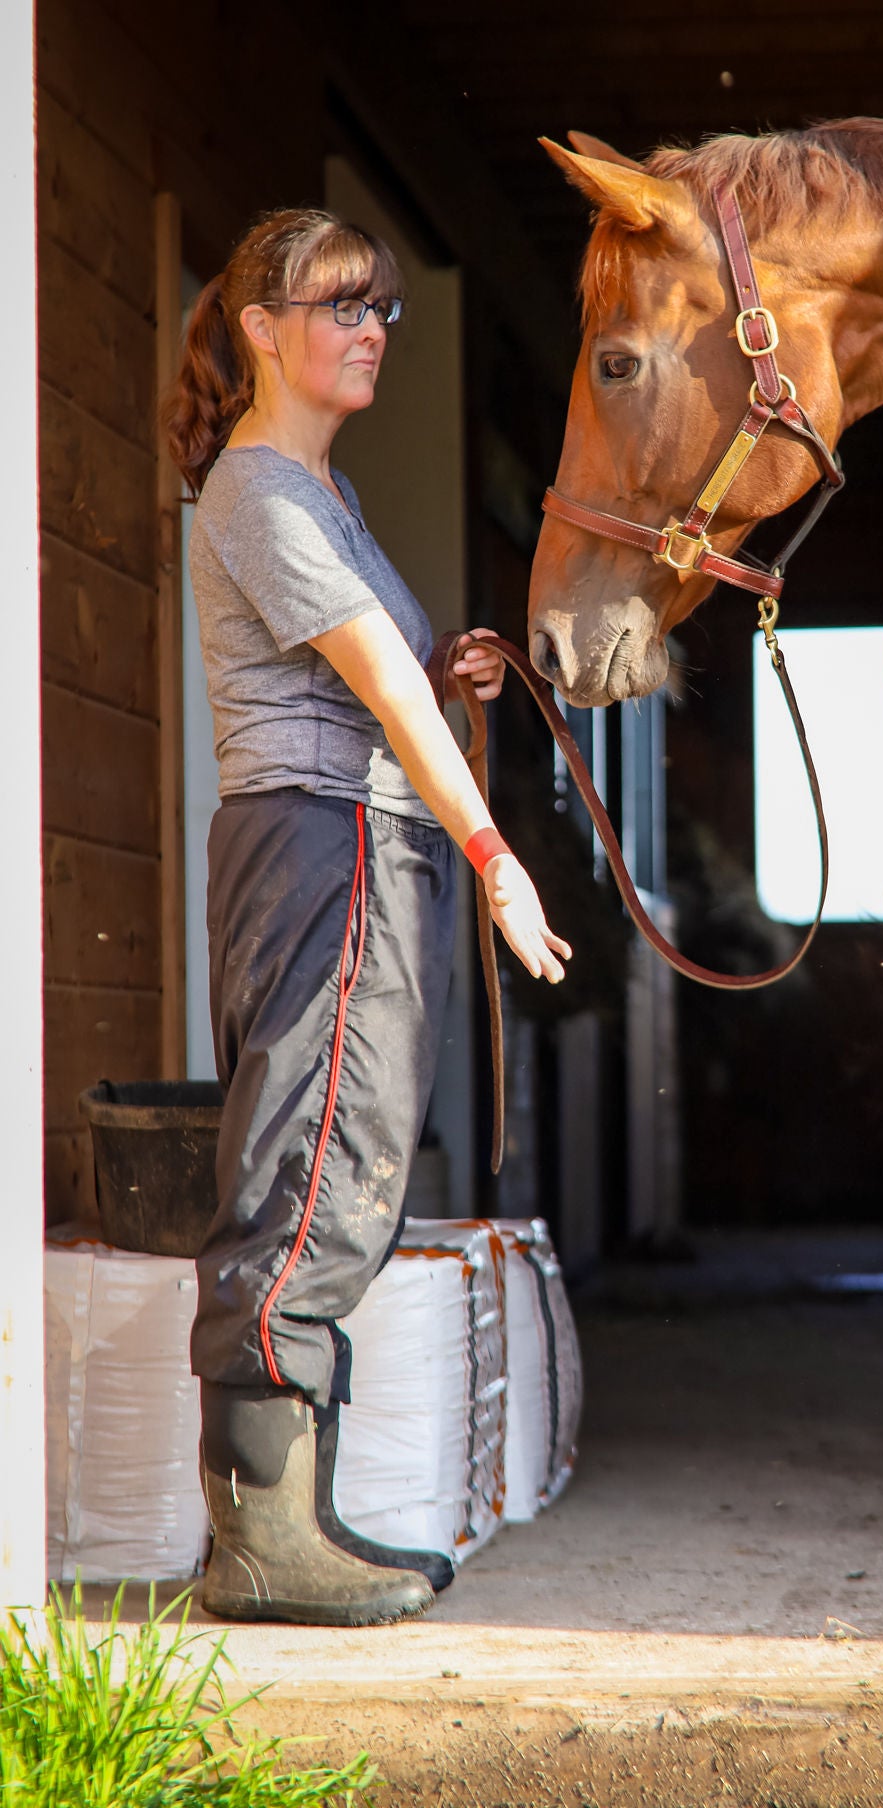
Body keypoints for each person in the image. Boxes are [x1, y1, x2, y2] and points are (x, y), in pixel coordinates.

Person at [166, 207, 570, 1627]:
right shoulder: (262, 492)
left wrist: (447, 668)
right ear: (262, 331)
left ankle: (293, 1516)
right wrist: (493, 852)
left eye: (385, 306)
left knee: (349, 1156)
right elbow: (374, 695)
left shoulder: (322, 499)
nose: (372, 327)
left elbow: (395, 679)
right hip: (325, 847)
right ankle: (262, 1541)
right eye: (340, 305)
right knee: (311, 1161)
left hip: (362, 842)